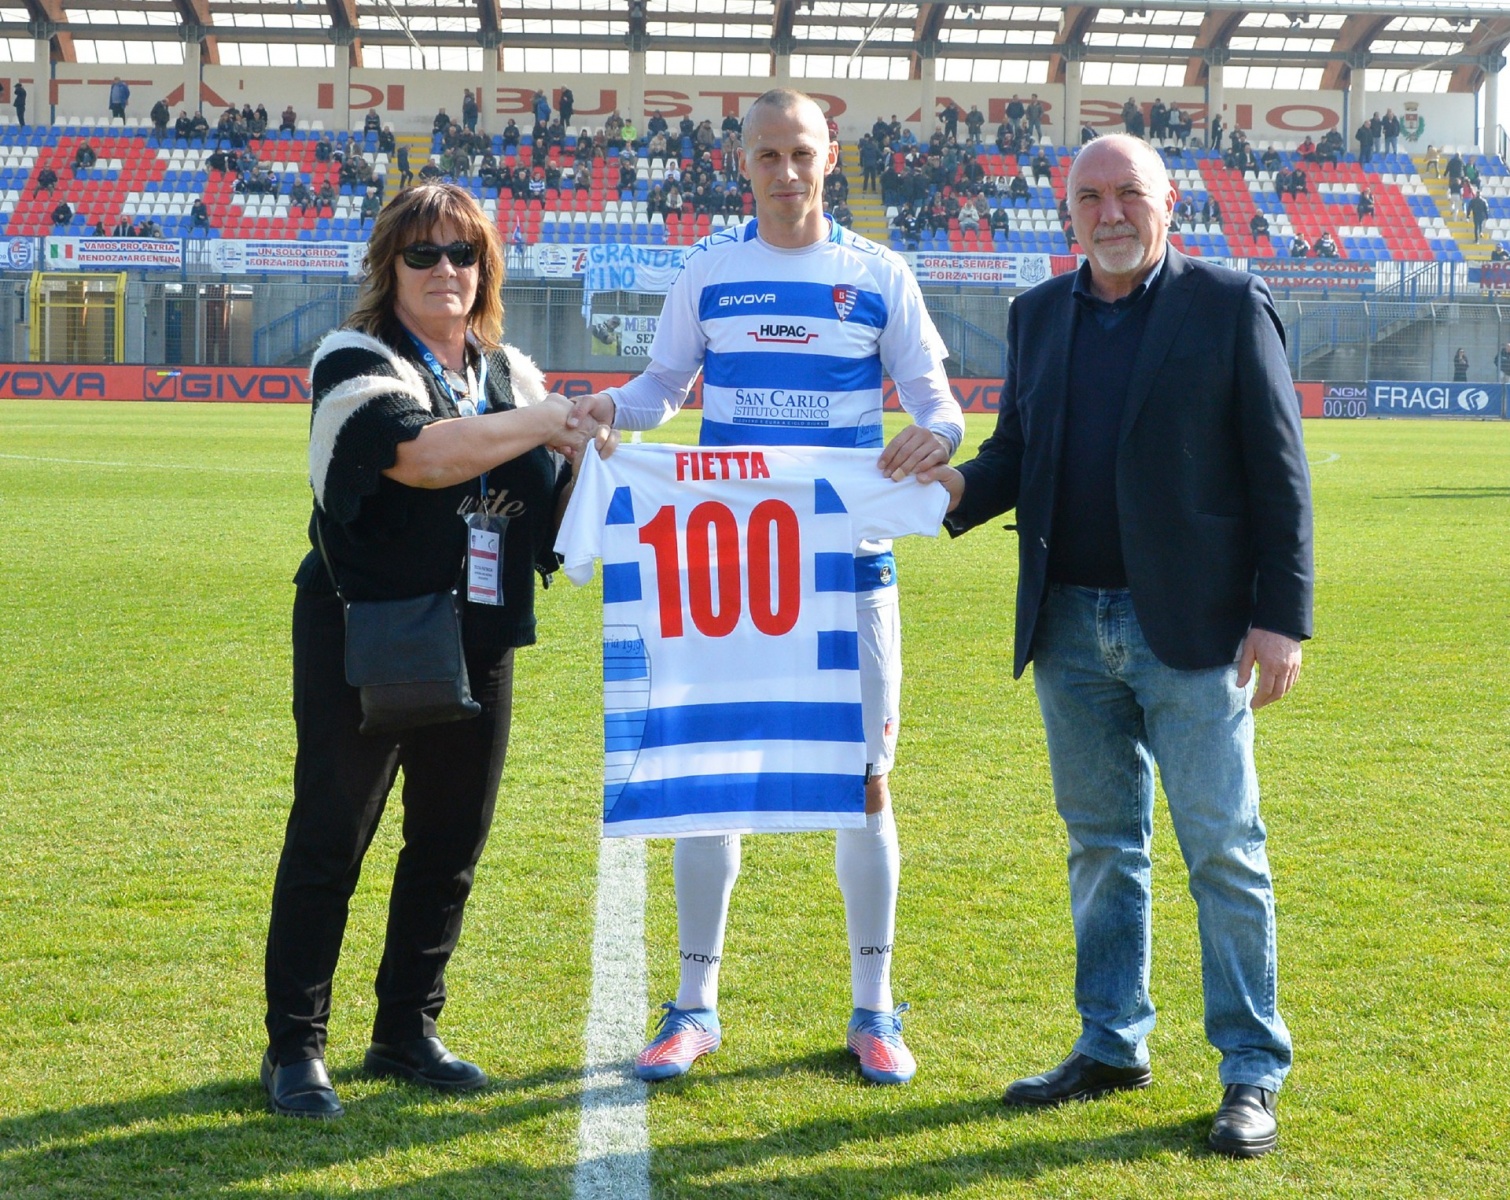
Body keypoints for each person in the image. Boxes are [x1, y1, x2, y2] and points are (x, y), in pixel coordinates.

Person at [920, 133, 1311, 1161]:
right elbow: (1016, 455)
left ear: (1167, 201)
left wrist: (1283, 616)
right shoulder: (1037, 314)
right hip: (1067, 627)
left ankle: (1249, 1069)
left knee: (1222, 851)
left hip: (1191, 631)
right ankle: (1110, 1043)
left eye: (1127, 193)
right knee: (1102, 848)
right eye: (1088, 196)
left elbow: (1280, 472)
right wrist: (941, 489)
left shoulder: (1227, 302)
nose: (1108, 212)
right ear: (1066, 210)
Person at [564, 87, 963, 1089]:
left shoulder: (877, 274)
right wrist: (610, 410)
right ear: (740, 166)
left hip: (846, 567)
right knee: (709, 777)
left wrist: (939, 435)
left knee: (866, 786)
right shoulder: (710, 270)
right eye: (766, 157)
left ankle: (874, 1009)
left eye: (801, 153)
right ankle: (693, 1006)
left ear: (832, 156)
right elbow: (660, 392)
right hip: (724, 569)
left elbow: (937, 403)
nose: (786, 173)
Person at [262, 182, 598, 1120]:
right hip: (363, 630)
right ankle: (295, 1046)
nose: (446, 270)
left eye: (464, 254)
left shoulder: (508, 372)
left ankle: (405, 1030)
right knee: (333, 835)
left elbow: (564, 504)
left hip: (480, 636)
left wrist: (609, 455)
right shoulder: (352, 358)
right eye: (423, 253)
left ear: (486, 269)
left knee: (449, 841)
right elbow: (421, 455)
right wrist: (555, 419)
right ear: (389, 266)